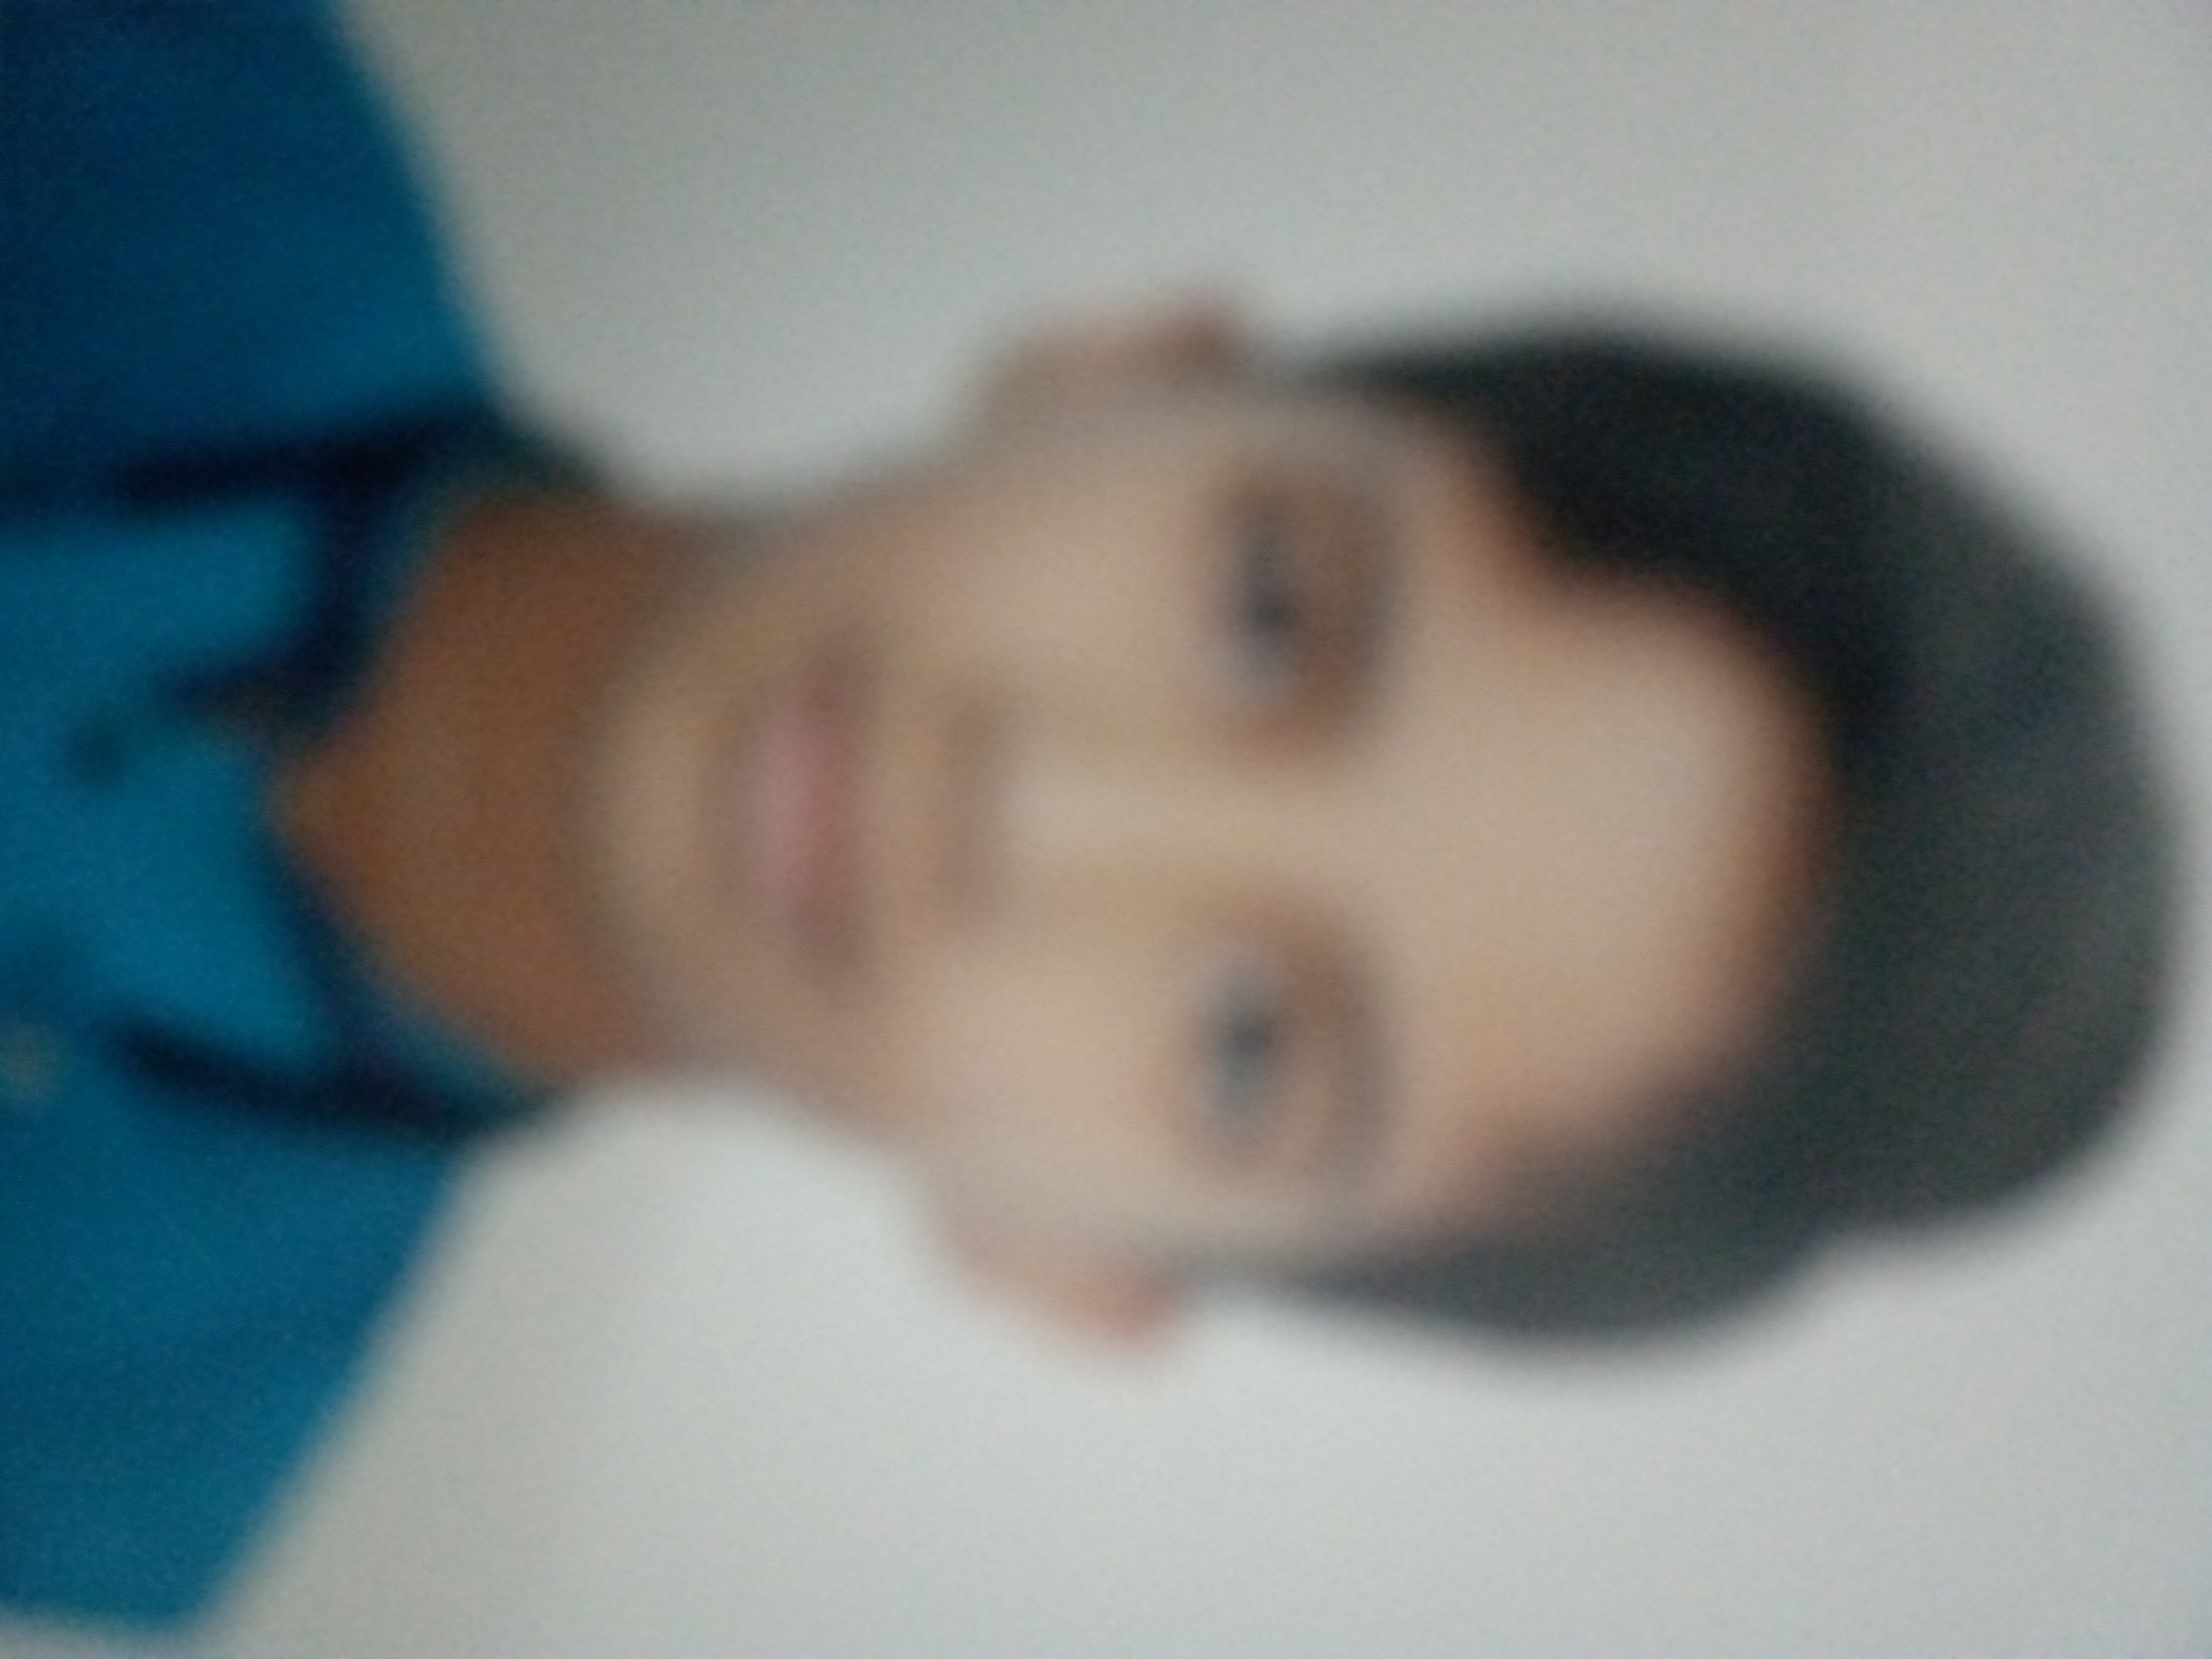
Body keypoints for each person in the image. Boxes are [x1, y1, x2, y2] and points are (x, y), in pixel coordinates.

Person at [1, 0, 2173, 1631]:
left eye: (1246, 1043)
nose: (1037, 812)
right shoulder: (138, 73)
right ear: (1131, 363)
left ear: (1089, 1271)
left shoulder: (104, 1470)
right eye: (1264, 613)